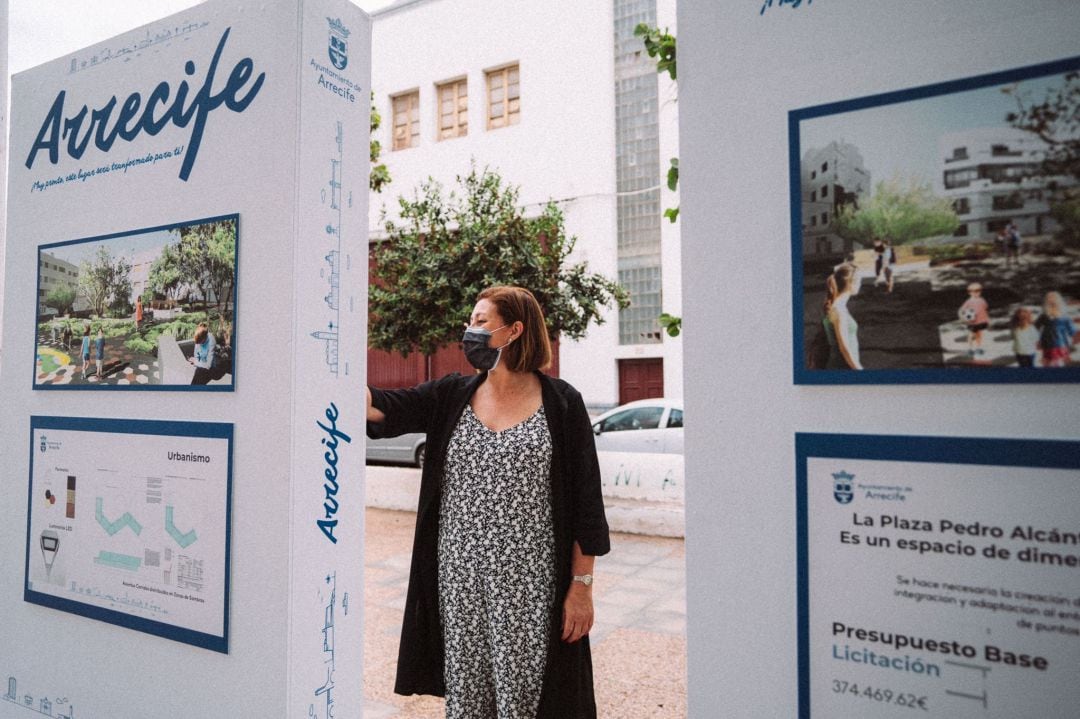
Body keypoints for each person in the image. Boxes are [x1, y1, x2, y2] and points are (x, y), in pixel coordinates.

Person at [366, 286, 610, 719]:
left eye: (481, 322)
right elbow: (384, 409)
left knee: (526, 702)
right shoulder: (452, 395)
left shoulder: (562, 404)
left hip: (529, 588)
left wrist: (581, 588)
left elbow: (587, 506)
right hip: (458, 585)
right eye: (470, 322)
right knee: (467, 702)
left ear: (514, 330)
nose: (469, 331)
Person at [822, 263, 863, 369]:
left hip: (841, 365)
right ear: (850, 284)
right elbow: (844, 347)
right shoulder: (839, 310)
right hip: (843, 366)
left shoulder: (835, 305)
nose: (860, 284)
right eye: (859, 281)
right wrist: (858, 368)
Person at [1035, 291, 1076, 368]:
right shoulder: (1043, 316)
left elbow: (1071, 329)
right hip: (1047, 342)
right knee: (1049, 361)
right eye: (1049, 301)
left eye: (1054, 300)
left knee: (1058, 361)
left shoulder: (1064, 316)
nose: (1052, 303)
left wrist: (1073, 335)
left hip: (1060, 342)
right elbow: (1035, 327)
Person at [958, 282, 990, 357]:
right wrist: (962, 318)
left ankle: (978, 347)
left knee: (979, 334)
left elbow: (985, 308)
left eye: (978, 290)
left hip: (980, 321)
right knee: (971, 335)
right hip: (972, 322)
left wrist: (987, 319)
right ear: (969, 292)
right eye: (973, 291)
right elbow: (962, 309)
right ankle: (970, 348)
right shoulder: (969, 301)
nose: (976, 292)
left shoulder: (982, 300)